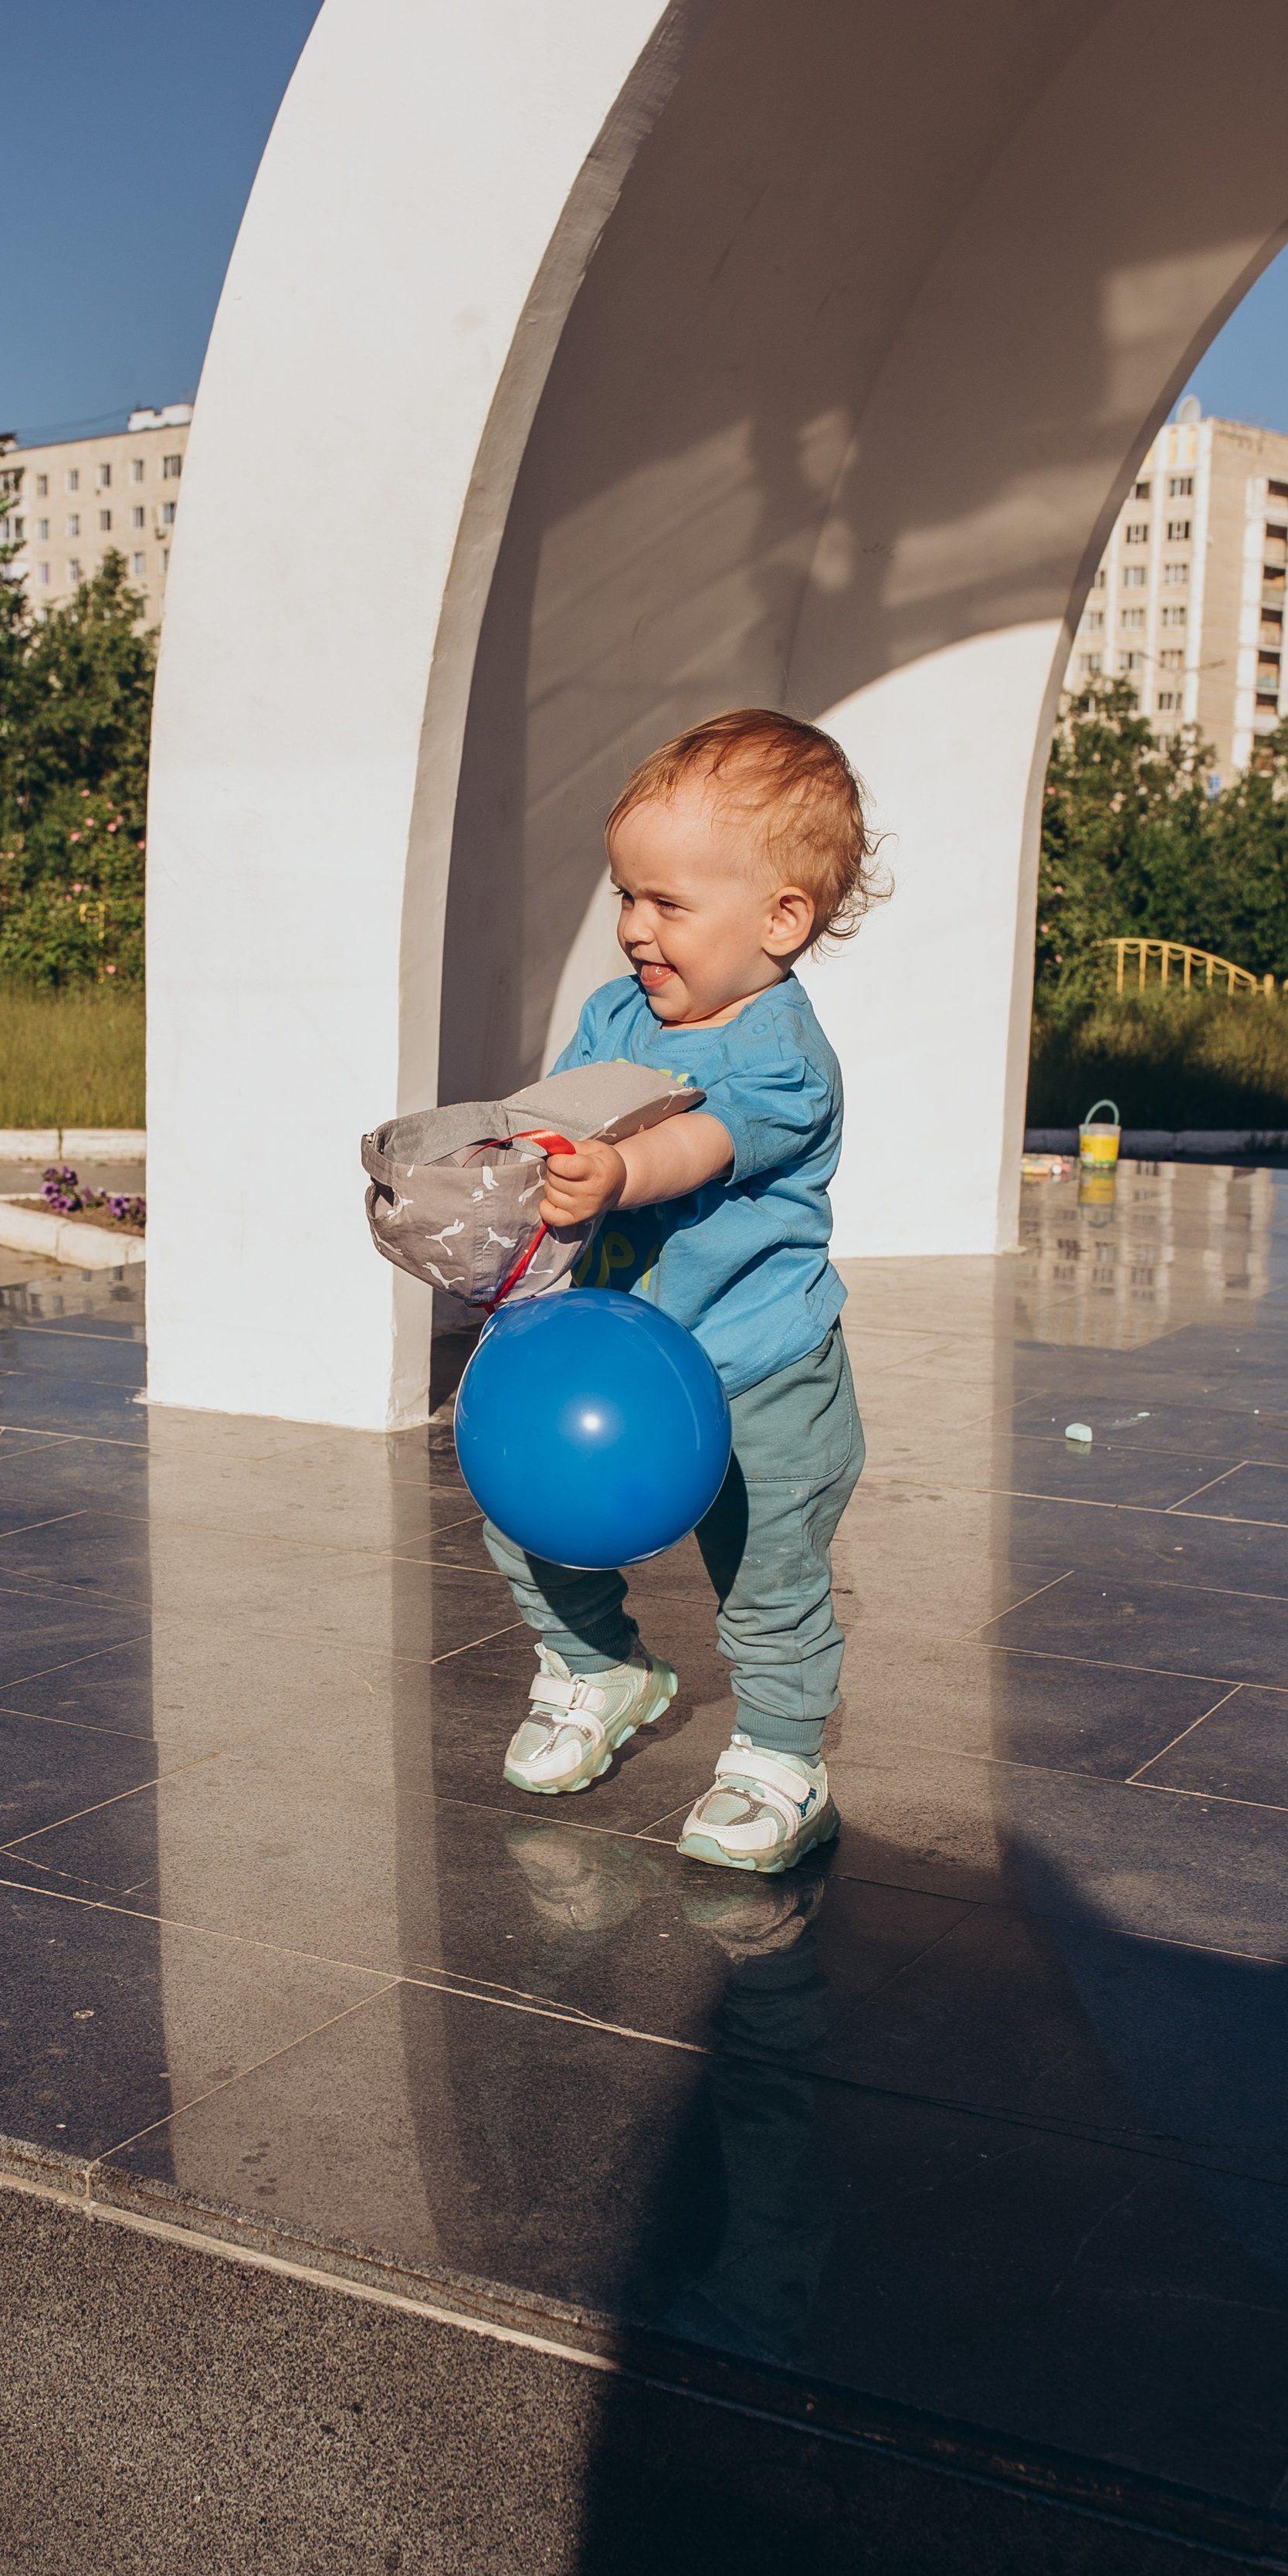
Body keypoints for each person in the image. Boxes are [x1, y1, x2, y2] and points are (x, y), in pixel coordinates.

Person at [486, 707, 883, 1872]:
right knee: (531, 1522)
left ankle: (779, 1757)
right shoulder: (619, 1013)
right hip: (616, 1366)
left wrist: (617, 1172)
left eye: (666, 905)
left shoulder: (781, 1058)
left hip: (762, 1380)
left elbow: (700, 1145)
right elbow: (560, 1114)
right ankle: (599, 1668)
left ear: (782, 918)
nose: (633, 929)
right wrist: (504, 1161)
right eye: (626, 896)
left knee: (768, 1587)